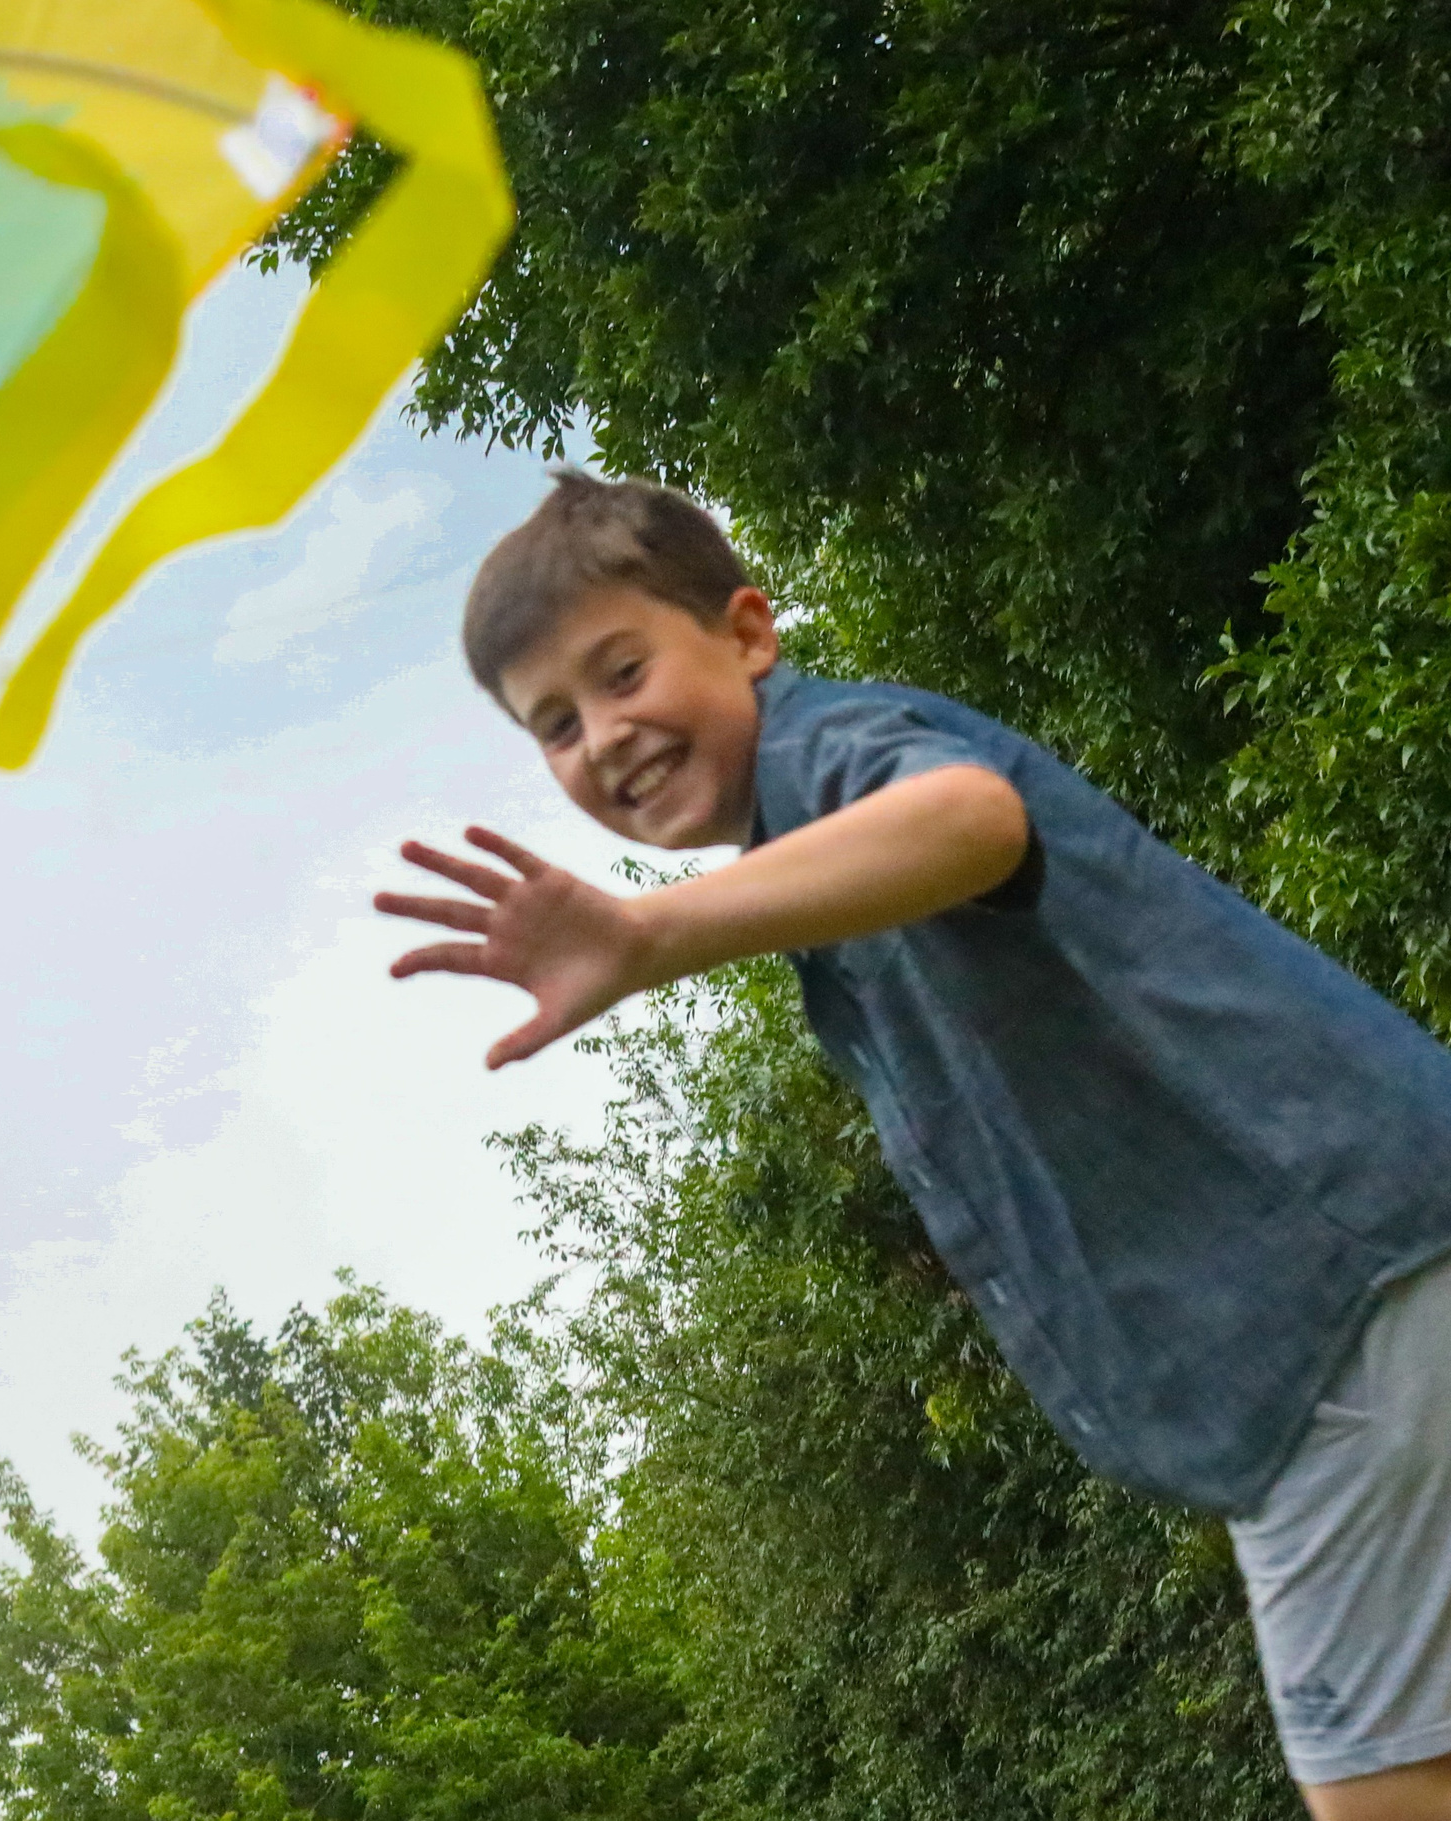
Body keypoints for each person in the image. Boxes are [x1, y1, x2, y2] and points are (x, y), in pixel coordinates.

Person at [375, 470, 1451, 1821]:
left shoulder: (830, 753)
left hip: (1334, 1306)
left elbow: (968, 818)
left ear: (750, 634)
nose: (605, 732)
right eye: (556, 721)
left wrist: (651, 935)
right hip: (1372, 1266)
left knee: (1383, 1793)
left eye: (625, 667)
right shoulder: (813, 863)